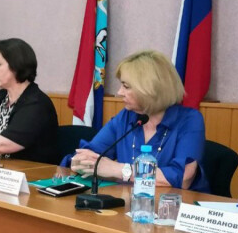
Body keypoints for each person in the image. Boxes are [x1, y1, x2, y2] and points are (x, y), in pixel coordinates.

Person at [61, 50, 209, 192]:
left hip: (174, 205)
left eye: (126, 86)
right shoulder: (127, 116)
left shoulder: (190, 120)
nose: (119, 92)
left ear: (150, 89)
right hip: (130, 203)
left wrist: (119, 170)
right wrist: (80, 162)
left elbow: (183, 178)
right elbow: (89, 154)